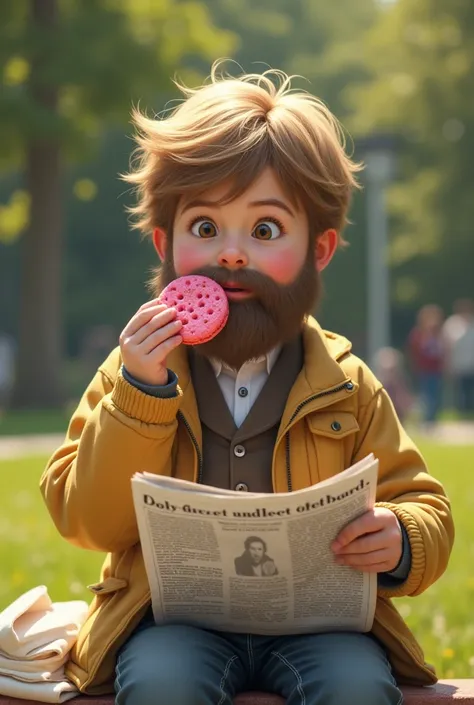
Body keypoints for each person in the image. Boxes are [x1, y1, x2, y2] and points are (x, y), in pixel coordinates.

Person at [40, 63, 454, 705]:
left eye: (265, 231)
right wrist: (139, 397)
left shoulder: (346, 382)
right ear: (165, 245)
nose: (231, 254)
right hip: (175, 625)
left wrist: (400, 539)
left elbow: (425, 505)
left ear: (319, 249)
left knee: (357, 689)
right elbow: (82, 519)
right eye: (205, 228)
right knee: (159, 686)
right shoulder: (132, 373)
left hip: (322, 627)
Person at [407, 304, 446, 425]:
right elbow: (414, 351)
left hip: (436, 369)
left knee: (435, 393)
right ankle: (427, 418)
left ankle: (433, 417)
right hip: (424, 369)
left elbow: (443, 351)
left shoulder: (439, 335)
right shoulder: (418, 334)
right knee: (426, 394)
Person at [442, 299, 474, 415]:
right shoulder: (452, 324)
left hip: (471, 365)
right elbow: (446, 346)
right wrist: (447, 364)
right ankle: (463, 413)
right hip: (458, 365)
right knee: (461, 392)